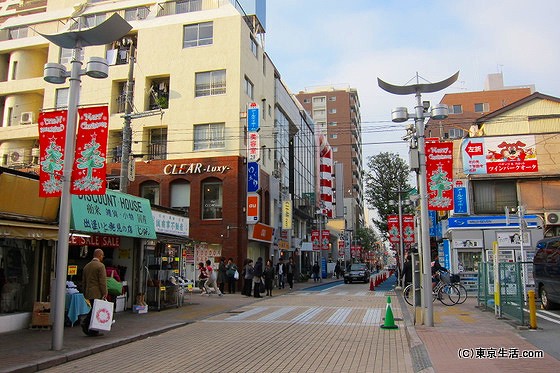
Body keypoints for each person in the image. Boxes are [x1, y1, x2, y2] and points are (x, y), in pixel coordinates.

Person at [81, 248, 107, 336]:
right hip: (97, 292)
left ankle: (93, 330)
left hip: (88, 292)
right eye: (102, 255)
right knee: (95, 310)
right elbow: (102, 282)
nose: (103, 257)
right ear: (100, 255)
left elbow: (83, 281)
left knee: (94, 309)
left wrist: (84, 292)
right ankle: (86, 323)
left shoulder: (86, 266)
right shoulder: (100, 266)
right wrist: (105, 292)